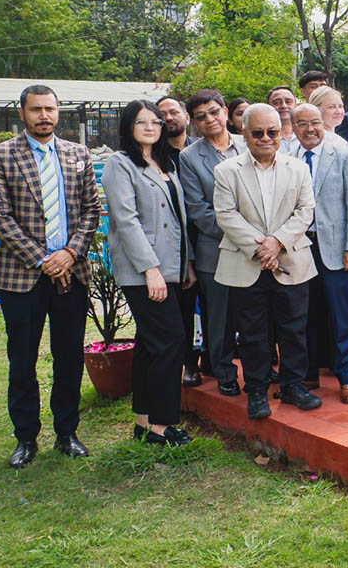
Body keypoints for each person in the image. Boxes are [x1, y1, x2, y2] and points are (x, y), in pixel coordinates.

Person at [0, 85, 101, 468]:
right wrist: (42, 260)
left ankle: (67, 432)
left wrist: (69, 253)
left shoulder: (78, 154)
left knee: (69, 357)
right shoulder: (0, 155)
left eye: (50, 109)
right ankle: (26, 437)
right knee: (22, 359)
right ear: (22, 113)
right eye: (36, 109)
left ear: (58, 112)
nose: (44, 116)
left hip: (72, 272)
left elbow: (91, 209)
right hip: (21, 277)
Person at [213, 103, 322, 420]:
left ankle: (293, 386)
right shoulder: (227, 171)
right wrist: (261, 249)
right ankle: (257, 391)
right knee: (252, 334)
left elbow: (305, 210)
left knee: (294, 330)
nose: (265, 138)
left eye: (272, 132)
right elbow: (225, 214)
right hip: (246, 264)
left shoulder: (298, 168)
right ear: (244, 133)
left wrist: (277, 243)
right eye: (257, 132)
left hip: (291, 261)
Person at [102, 100, 194, 447]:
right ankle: (162, 426)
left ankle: (143, 422)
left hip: (173, 266)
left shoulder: (164, 161)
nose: (150, 127)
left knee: (149, 343)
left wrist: (186, 264)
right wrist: (150, 270)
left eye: (155, 122)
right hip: (145, 270)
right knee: (171, 341)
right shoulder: (120, 164)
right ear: (128, 126)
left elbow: (178, 218)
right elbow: (126, 220)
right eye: (142, 122)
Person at [292, 103, 348, 403]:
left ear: (323, 123)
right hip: (300, 249)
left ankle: (347, 378)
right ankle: (308, 374)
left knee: (342, 316)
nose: (310, 129)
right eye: (302, 124)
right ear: (294, 127)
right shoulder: (288, 157)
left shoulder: (343, 153)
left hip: (337, 249)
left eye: (315, 122)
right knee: (304, 315)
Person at [180, 89, 244, 396]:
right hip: (216, 250)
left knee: (255, 315)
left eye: (214, 112)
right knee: (220, 318)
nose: (210, 120)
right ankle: (224, 372)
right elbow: (198, 210)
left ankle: (258, 369)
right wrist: (243, 235)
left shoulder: (247, 144)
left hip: (258, 248)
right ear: (193, 122)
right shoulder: (189, 157)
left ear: (226, 113)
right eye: (201, 116)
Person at [157, 94, 203, 384]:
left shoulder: (200, 150)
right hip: (176, 242)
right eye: (162, 114)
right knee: (184, 306)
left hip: (208, 236)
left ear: (187, 117)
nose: (168, 117)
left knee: (212, 306)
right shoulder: (155, 157)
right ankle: (189, 363)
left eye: (174, 111)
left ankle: (213, 358)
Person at [266, 86, 299, 153]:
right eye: (277, 103)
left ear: (296, 105)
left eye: (288, 102)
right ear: (268, 107)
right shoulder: (263, 138)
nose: (284, 106)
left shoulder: (306, 133)